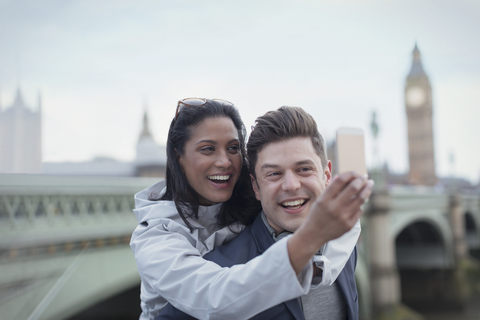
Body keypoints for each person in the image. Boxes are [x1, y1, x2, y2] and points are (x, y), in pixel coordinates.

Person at [130, 99, 371, 320]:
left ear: (327, 175)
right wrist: (313, 235)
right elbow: (215, 299)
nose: (224, 161)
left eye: (233, 148)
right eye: (207, 149)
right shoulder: (158, 237)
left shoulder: (340, 239)